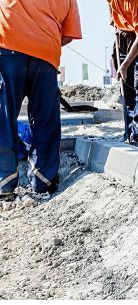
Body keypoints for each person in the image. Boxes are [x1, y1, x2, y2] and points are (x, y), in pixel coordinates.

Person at [0, 0, 82, 198]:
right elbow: (69, 34)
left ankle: (4, 183)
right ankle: (42, 181)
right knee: (45, 120)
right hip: (46, 55)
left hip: (8, 49)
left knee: (3, 117)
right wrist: (43, 37)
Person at [108, 0, 138, 147]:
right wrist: (113, 20)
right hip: (124, 36)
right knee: (126, 87)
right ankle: (130, 133)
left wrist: (125, 65)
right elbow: (110, 6)